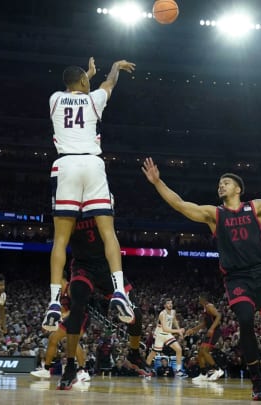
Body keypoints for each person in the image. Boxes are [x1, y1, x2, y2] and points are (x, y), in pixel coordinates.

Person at [142, 152, 261, 401]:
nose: (221, 185)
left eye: (226, 182)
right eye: (219, 183)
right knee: (245, 320)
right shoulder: (214, 214)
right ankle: (257, 380)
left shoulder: (255, 208)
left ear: (238, 189)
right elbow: (180, 204)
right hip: (236, 278)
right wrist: (158, 182)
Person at [44, 57, 137, 332]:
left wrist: (86, 74)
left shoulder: (54, 100)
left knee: (61, 239)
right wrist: (114, 69)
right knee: (108, 233)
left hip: (65, 165)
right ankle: (119, 291)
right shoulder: (95, 99)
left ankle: (52, 302)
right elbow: (108, 84)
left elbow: (77, 90)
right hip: (93, 165)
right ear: (85, 82)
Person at [55, 214, 148, 389]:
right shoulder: (69, 206)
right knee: (77, 307)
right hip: (83, 266)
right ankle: (70, 366)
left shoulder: (101, 199)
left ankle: (134, 354)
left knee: (137, 314)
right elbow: (59, 241)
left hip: (106, 266)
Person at [186, 293, 225, 382]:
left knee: (204, 350)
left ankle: (218, 370)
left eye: (199, 298)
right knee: (200, 352)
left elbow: (219, 316)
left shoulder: (209, 306)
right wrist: (193, 329)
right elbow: (204, 323)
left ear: (203, 299)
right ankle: (203, 374)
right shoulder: (205, 309)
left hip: (215, 331)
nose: (198, 300)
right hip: (211, 330)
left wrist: (211, 329)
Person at [145, 298, 187, 378]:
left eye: (171, 303)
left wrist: (179, 330)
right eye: (168, 303)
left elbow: (174, 320)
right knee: (153, 353)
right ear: (165, 305)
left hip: (168, 334)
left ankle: (178, 371)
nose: (170, 305)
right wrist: (178, 331)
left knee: (179, 349)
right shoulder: (162, 314)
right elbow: (165, 329)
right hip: (160, 334)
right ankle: (146, 368)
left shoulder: (173, 312)